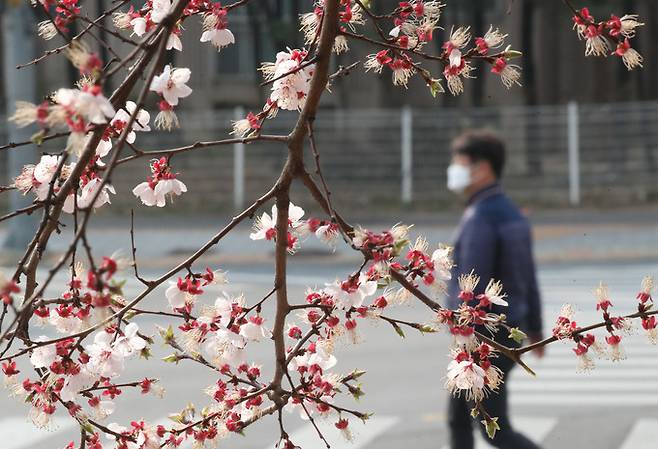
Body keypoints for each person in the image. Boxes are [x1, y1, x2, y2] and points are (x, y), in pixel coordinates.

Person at [445, 130, 545, 449]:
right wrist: (536, 329)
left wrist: (465, 330)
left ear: (482, 168)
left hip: (485, 335)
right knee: (459, 418)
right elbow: (528, 276)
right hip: (510, 327)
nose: (454, 170)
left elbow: (470, 284)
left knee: (495, 429)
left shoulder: (480, 217)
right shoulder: (511, 212)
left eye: (460, 163)